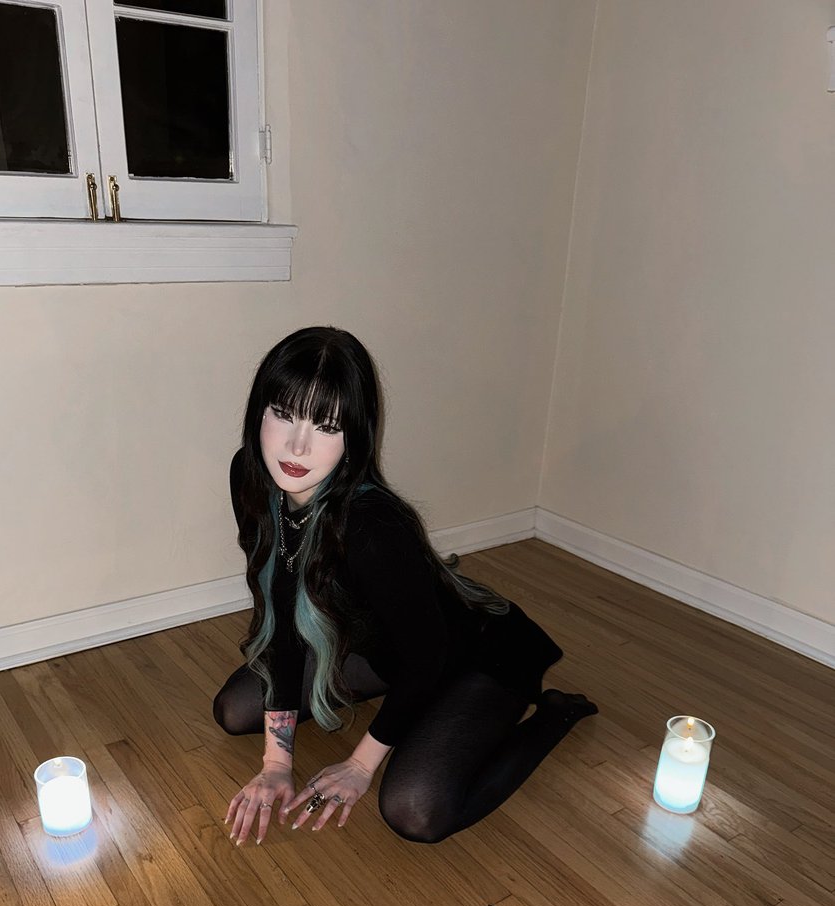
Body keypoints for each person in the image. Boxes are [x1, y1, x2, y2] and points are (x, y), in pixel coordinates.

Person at [214, 327, 596, 847]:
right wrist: (276, 764)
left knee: (415, 810)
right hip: (384, 647)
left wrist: (359, 765)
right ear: (258, 410)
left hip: (472, 656)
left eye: (326, 425)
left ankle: (555, 713)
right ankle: (403, 696)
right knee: (236, 709)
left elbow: (428, 656)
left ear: (356, 436)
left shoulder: (374, 527)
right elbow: (281, 612)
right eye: (284, 414)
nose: (297, 446)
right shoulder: (252, 477)